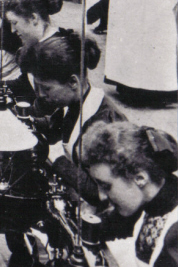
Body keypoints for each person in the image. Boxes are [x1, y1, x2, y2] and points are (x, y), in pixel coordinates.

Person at [18, 32, 127, 205]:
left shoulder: (104, 125)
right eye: (37, 87)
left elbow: (102, 194)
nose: (40, 95)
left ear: (73, 82)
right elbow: (58, 126)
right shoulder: (74, 101)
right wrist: (27, 121)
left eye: (46, 88)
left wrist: (56, 158)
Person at [82, 122, 178, 267]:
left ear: (140, 178)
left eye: (106, 186)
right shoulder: (153, 199)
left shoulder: (175, 233)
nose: (102, 196)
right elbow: (113, 222)